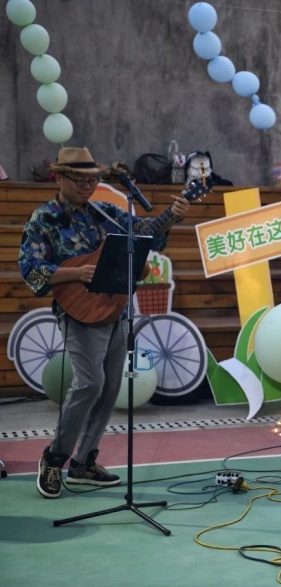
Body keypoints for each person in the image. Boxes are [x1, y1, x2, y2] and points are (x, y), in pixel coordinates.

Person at [19, 146, 191, 498]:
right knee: (90, 383)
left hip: (116, 307)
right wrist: (74, 272)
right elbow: (30, 269)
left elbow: (146, 234)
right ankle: (53, 458)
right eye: (79, 180)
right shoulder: (44, 219)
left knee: (112, 386)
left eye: (92, 180)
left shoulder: (107, 212)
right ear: (60, 177)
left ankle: (84, 462)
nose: (87, 186)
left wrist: (171, 217)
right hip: (79, 311)